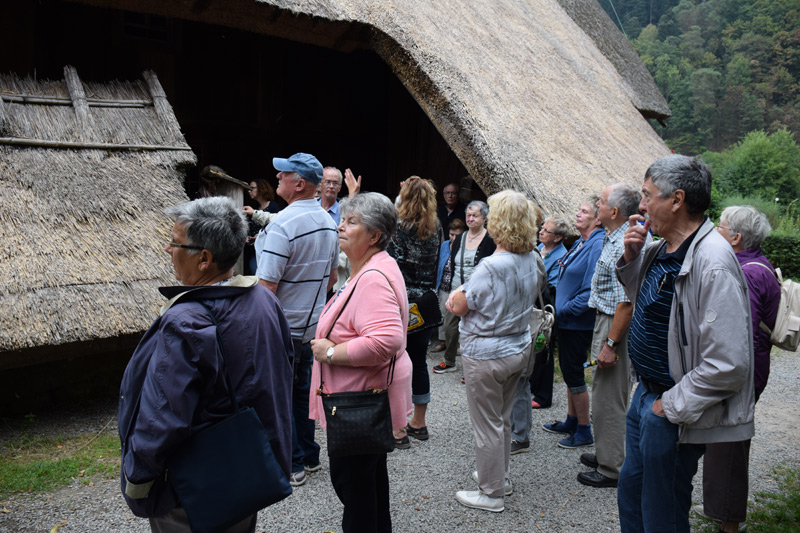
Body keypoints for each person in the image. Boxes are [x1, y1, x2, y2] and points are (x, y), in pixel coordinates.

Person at [119, 197, 293, 532]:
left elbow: (163, 416)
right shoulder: (264, 301)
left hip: (193, 490)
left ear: (203, 259)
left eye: (175, 243)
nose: (168, 249)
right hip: (248, 470)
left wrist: (138, 479)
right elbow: (280, 374)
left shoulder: (185, 322)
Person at [616, 154, 754, 532]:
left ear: (676, 200)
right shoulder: (663, 248)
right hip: (646, 395)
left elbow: (730, 364)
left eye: (647, 196)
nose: (641, 206)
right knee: (632, 497)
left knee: (662, 512)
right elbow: (644, 301)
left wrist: (668, 407)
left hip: (671, 407)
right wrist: (631, 257)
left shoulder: (713, 263)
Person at [309, 192, 413, 533]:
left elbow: (386, 340)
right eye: (343, 219)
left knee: (354, 488)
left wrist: (329, 352)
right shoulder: (375, 266)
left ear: (374, 236)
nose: (340, 226)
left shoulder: (370, 278)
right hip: (362, 400)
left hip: (357, 404)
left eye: (351, 222)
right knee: (367, 486)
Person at [446, 190, 540, 513]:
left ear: (498, 222)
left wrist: (457, 293)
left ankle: (490, 492)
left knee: (486, 424)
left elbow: (458, 304)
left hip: (486, 354)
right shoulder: (532, 258)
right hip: (517, 348)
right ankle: (501, 478)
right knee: (502, 419)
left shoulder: (490, 266)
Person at [254, 152, 339, 487]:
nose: (277, 179)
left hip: (283, 327)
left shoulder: (282, 225)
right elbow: (332, 278)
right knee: (303, 391)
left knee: (280, 395)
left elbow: (266, 289)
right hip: (312, 326)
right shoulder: (328, 223)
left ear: (299, 183)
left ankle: (292, 464)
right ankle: (310, 454)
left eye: (282, 175)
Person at [695, 206, 781, 532]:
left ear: (736, 238)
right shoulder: (754, 265)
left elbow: (735, 331)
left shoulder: (745, 272)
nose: (715, 229)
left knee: (730, 441)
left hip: (741, 373)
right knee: (725, 441)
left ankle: (731, 522)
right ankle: (723, 510)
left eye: (721, 225)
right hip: (747, 369)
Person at [577, 184, 642, 489]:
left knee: (608, 398)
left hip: (612, 325)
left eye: (600, 203)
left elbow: (625, 303)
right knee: (606, 393)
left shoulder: (621, 246)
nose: (597, 206)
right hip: (605, 320)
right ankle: (607, 451)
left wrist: (611, 345)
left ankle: (612, 467)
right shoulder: (615, 238)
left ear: (613, 212)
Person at [542, 197, 603, 449]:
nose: (577, 214)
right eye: (578, 210)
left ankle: (584, 430)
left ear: (598, 219)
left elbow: (590, 290)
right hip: (568, 321)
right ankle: (571, 419)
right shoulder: (582, 241)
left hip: (577, 322)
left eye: (584, 211)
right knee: (568, 371)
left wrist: (564, 311)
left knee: (575, 375)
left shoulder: (597, 244)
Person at [386, 177, 442, 447]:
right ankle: (419, 423)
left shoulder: (398, 228)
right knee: (419, 362)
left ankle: (397, 427)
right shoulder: (436, 227)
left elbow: (390, 263)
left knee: (393, 362)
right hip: (426, 301)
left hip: (400, 302)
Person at [433, 200, 496, 374]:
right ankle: (449, 360)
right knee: (450, 327)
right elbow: (452, 263)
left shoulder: (490, 239)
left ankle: (473, 369)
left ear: (484, 218)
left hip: (479, 292)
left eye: (475, 215)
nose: (470, 218)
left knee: (475, 330)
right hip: (456, 289)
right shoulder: (460, 237)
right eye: (468, 215)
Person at [529, 215, 571, 409]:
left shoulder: (562, 256)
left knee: (543, 349)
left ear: (558, 237)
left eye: (547, 231)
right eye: (542, 228)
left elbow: (551, 285)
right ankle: (531, 386)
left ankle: (543, 395)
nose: (541, 232)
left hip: (547, 306)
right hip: (533, 304)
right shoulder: (539, 248)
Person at [432, 218, 467, 353]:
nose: (453, 238)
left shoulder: (465, 247)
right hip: (443, 286)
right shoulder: (445, 245)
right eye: (451, 234)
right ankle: (443, 341)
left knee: (458, 316)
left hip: (457, 288)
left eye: (456, 235)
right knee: (442, 314)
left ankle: (457, 344)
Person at [243, 178, 281, 275]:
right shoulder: (254, 209)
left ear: (261, 189)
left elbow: (277, 228)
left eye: (252, 188)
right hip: (255, 253)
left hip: (269, 253)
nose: (249, 191)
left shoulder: (274, 207)